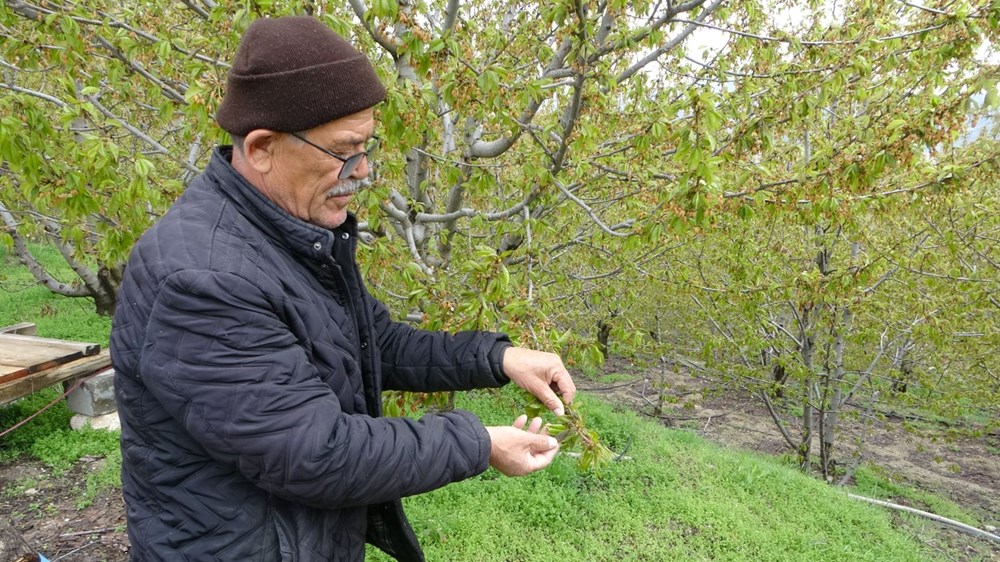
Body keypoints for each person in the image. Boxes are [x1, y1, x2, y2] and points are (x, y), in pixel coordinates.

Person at [110, 15, 575, 562]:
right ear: (261, 147)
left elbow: (371, 342)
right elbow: (316, 453)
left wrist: (498, 358)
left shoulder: (285, 235)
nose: (365, 170)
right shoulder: (203, 281)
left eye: (368, 147)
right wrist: (478, 443)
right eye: (345, 150)